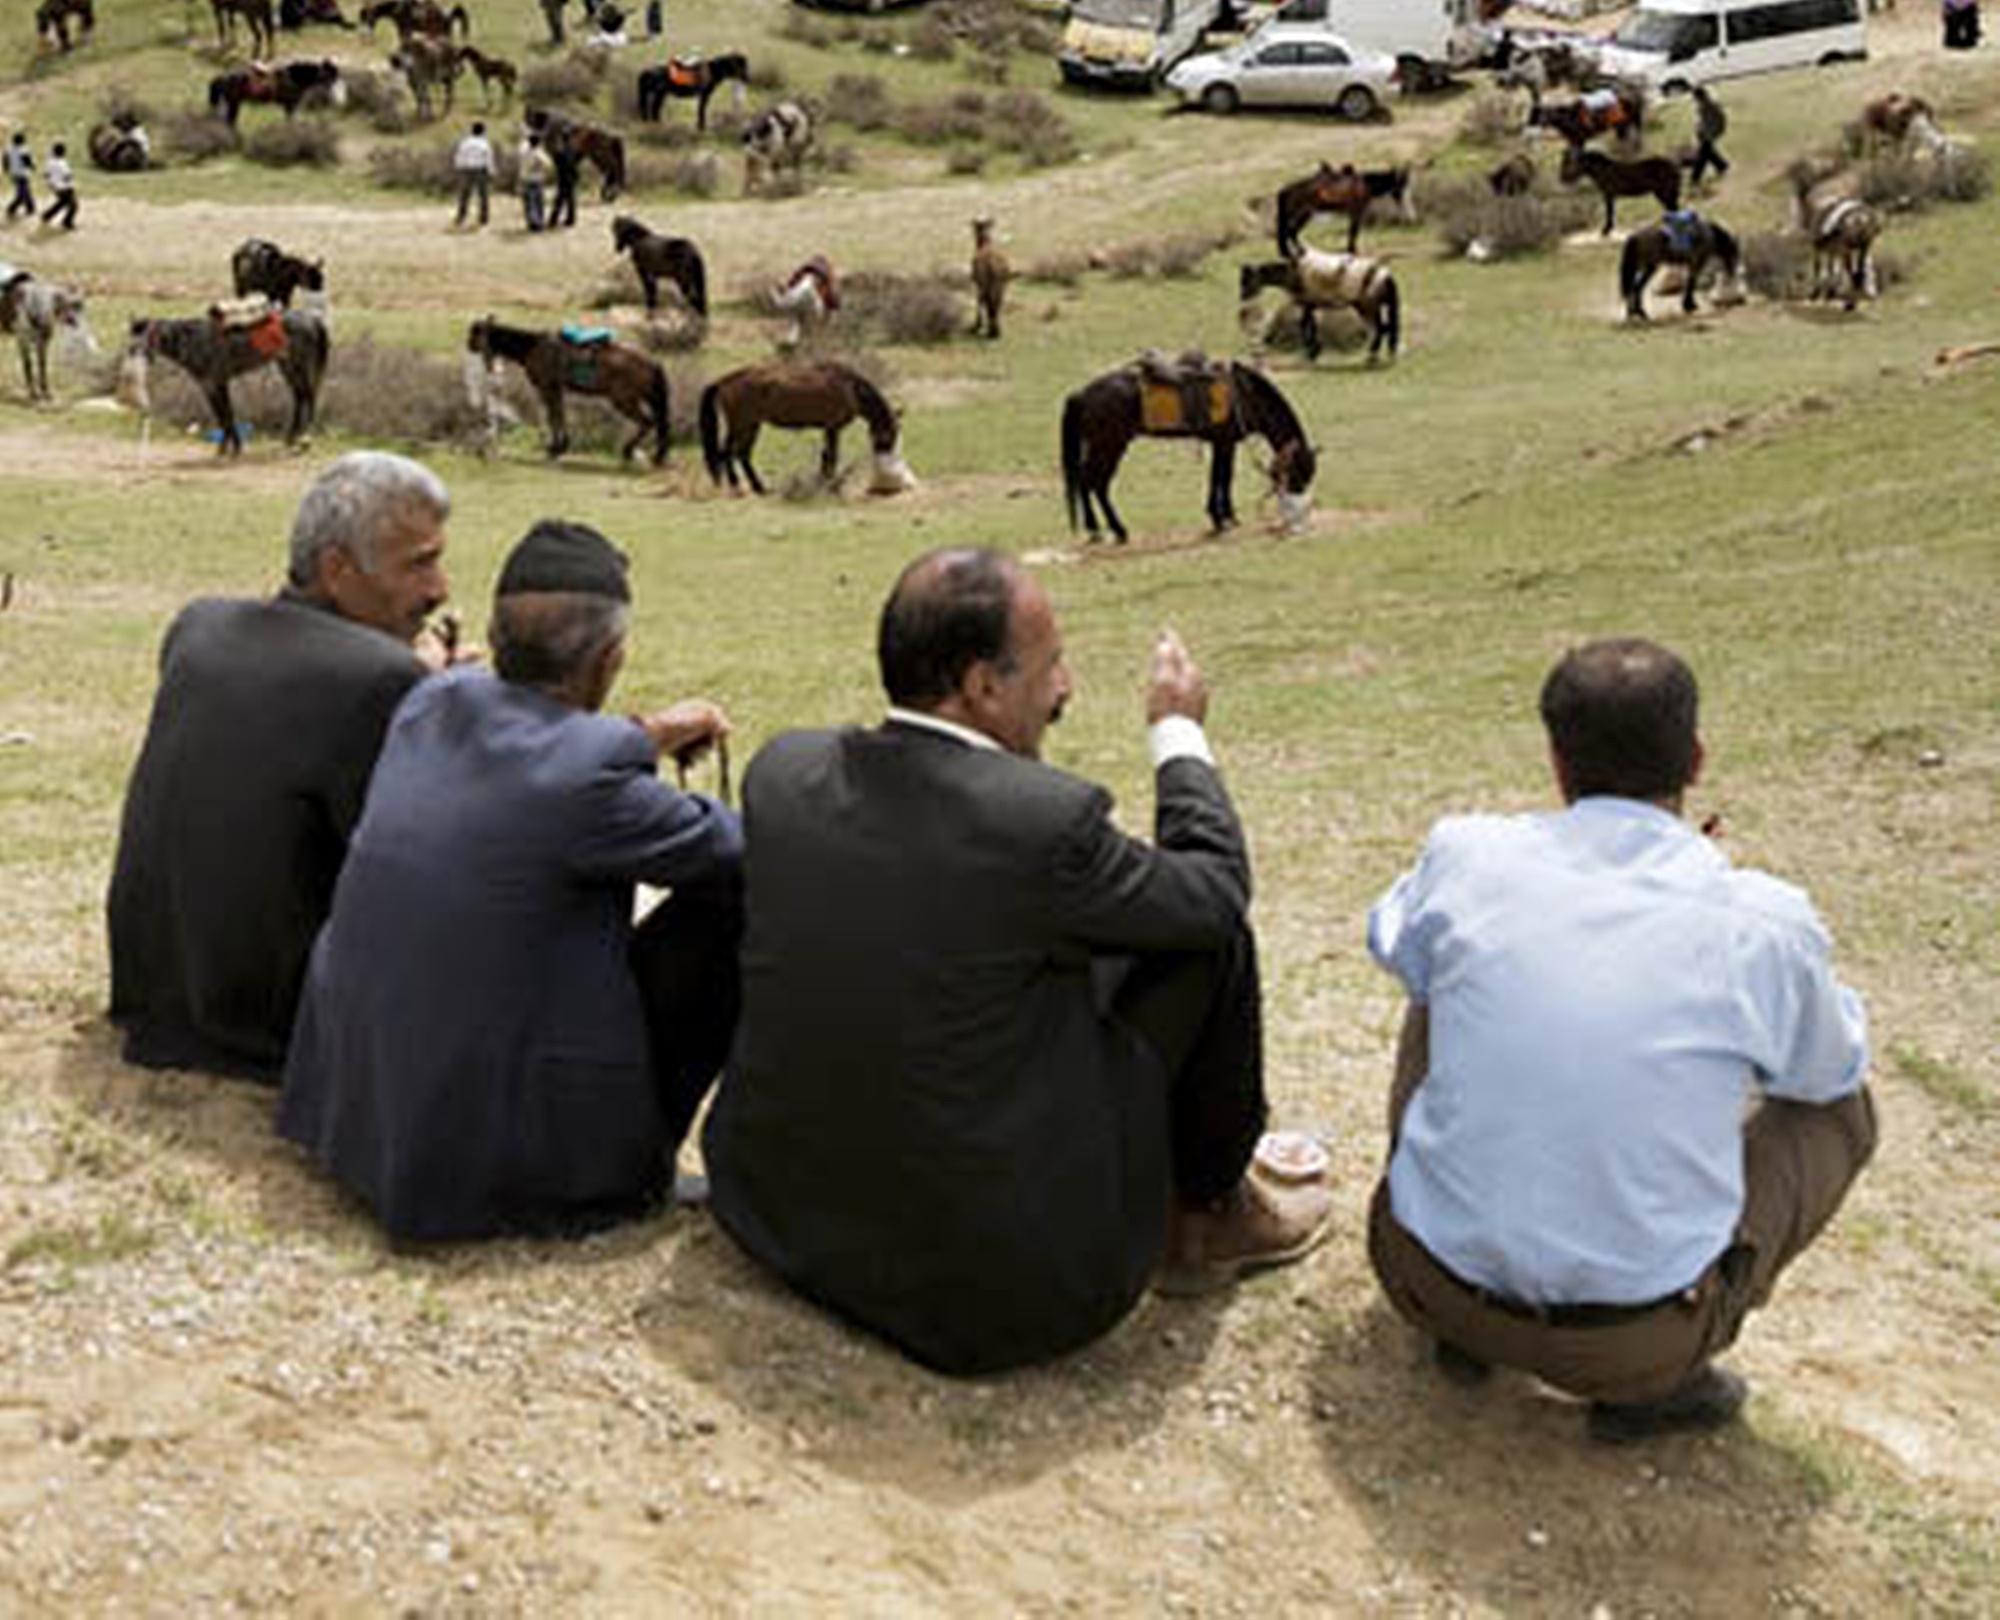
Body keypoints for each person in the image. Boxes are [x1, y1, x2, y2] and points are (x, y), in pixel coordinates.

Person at [705, 547, 1331, 1377]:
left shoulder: (785, 771)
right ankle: (1208, 1219)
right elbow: (1213, 894)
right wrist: (1177, 730)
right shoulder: (1041, 824)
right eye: (1052, 665)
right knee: (1207, 941)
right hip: (985, 1298)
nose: (1065, 687)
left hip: (772, 1213)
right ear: (982, 686)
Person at [1366, 637, 1875, 1441]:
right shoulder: (1761, 920)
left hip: (1419, 1277)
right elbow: (1826, 1072)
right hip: (1628, 1346)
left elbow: (1392, 939)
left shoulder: (1468, 854)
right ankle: (1659, 1381)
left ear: (1557, 760)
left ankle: (1466, 1327)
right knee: (1844, 1110)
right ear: (1696, 759)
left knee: (1433, 978)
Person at [280, 521, 744, 1243]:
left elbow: (535, 758)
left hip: (358, 1111)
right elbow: (744, 850)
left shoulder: (430, 702)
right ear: (610, 657)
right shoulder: (591, 780)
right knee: (736, 900)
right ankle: (632, 1167)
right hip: (490, 1155)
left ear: (498, 638)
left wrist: (648, 732)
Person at [106, 454, 453, 1076]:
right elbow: (425, 871)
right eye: (418, 564)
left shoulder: (199, 626)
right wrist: (432, 695)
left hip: (152, 994)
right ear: (337, 570)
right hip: (268, 1029)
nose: (439, 589)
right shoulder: (384, 679)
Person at [451, 118, 495, 228]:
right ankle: (483, 218)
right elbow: (488, 158)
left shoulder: (465, 142)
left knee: (464, 195)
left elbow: (459, 156)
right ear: (483, 131)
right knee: (483, 196)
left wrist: (458, 167)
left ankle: (461, 216)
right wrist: (491, 171)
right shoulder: (484, 144)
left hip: (466, 170)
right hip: (480, 170)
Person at [1687, 81, 1729, 188]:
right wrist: (1699, 129)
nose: (1695, 100)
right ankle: (1722, 166)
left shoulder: (1707, 106)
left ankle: (1695, 178)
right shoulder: (1707, 105)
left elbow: (1715, 120)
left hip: (1708, 134)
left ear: (1699, 96)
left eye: (1695, 97)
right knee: (1708, 153)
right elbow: (1705, 121)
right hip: (1707, 133)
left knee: (1702, 156)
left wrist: (1707, 132)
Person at [40, 141, 77, 232]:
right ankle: (67, 221)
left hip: (55, 187)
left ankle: (47, 215)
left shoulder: (50, 162)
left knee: (62, 202)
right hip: (65, 188)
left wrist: (48, 184)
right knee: (74, 206)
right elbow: (67, 176)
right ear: (63, 153)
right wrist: (72, 186)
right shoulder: (62, 163)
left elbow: (45, 175)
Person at [4, 128, 33, 222]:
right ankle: (11, 208)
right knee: (22, 194)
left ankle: (30, 208)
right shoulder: (23, 150)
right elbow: (27, 162)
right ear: (23, 141)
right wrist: (33, 167)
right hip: (22, 174)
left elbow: (5, 160)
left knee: (25, 191)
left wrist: (6, 169)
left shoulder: (9, 149)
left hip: (14, 173)